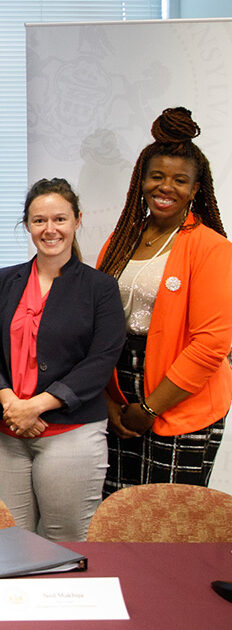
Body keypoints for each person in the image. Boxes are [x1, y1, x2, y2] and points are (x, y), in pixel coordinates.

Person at [0, 179, 125, 541]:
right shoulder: (4, 280)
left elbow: (101, 361)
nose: (50, 229)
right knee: (8, 540)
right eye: (39, 220)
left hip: (71, 434)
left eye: (59, 219)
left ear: (76, 221)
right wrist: (11, 403)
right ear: (27, 225)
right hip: (8, 433)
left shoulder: (100, 288)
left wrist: (38, 406)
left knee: (64, 540)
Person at [98, 107, 232, 494]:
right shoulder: (121, 239)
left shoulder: (212, 248)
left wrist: (151, 408)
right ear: (141, 180)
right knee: (119, 517)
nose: (166, 187)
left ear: (195, 188)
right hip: (121, 399)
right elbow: (101, 322)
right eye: (157, 176)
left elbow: (211, 345)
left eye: (179, 180)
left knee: (170, 528)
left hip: (180, 402)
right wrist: (111, 402)